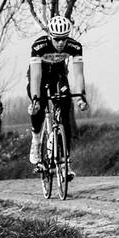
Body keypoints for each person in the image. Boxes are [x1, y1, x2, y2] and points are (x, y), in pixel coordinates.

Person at [28, 14, 88, 174]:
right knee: (38, 107)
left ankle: (64, 163)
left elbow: (79, 74)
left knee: (65, 115)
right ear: (49, 36)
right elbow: (35, 76)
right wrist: (35, 98)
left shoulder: (75, 47)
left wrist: (81, 96)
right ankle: (35, 139)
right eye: (57, 39)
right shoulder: (39, 46)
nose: (61, 43)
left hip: (58, 76)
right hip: (40, 76)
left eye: (64, 38)